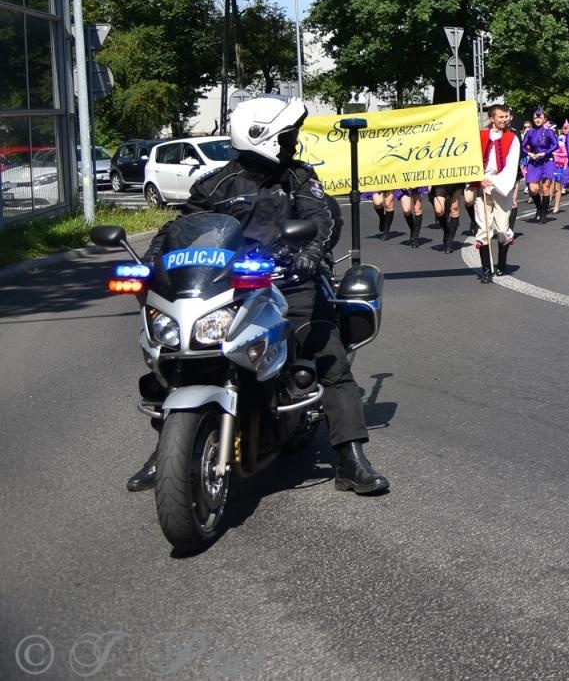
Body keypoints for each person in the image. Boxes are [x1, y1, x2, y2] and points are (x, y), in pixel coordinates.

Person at [125, 95, 388, 496]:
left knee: (328, 356)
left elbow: (322, 217)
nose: (291, 144)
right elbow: (179, 228)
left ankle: (350, 459)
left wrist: (311, 253)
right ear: (261, 137)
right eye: (285, 137)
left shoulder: (298, 178)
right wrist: (151, 261)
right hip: (229, 288)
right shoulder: (214, 184)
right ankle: (166, 452)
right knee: (179, 354)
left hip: (289, 283)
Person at [473, 103, 520, 283]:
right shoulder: (480, 135)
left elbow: (511, 166)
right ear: (492, 118)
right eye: (501, 117)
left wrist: (495, 181)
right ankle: (486, 270)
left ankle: (502, 263)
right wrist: (477, 179)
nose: (504, 119)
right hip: (482, 185)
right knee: (484, 228)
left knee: (502, 228)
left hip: (501, 185)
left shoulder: (512, 138)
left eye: (506, 116)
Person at [522, 108, 559, 223]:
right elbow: (522, 147)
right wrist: (529, 153)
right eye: (535, 118)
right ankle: (538, 207)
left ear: (544, 119)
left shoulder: (548, 132)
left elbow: (556, 144)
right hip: (534, 162)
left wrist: (545, 153)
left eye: (540, 118)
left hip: (547, 161)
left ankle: (543, 214)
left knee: (545, 187)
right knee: (533, 189)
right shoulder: (530, 132)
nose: (538, 120)